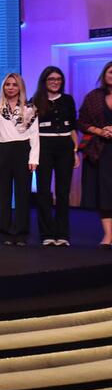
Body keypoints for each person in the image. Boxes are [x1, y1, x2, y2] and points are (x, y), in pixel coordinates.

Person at [0, 73, 39, 247]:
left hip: (23, 151)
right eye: (7, 84)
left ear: (20, 87)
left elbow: (34, 135)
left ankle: (22, 233)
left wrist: (34, 158)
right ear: (3, 87)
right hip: (3, 151)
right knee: (3, 194)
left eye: (14, 84)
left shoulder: (30, 109)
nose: (10, 87)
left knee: (23, 194)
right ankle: (5, 232)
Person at [32, 66, 79, 247]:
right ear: (44, 81)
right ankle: (47, 233)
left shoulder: (68, 100)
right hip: (43, 146)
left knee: (63, 192)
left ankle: (62, 233)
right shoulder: (35, 101)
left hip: (65, 146)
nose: (55, 82)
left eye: (58, 79)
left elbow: (72, 128)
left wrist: (75, 151)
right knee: (43, 191)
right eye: (51, 79)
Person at [78, 60, 112, 249]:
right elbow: (82, 122)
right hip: (102, 150)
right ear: (104, 74)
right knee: (105, 193)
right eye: (110, 72)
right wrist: (100, 131)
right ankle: (108, 235)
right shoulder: (94, 97)